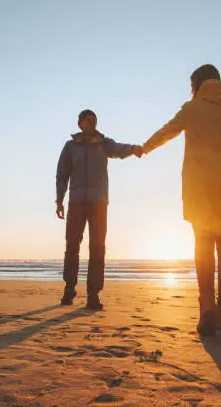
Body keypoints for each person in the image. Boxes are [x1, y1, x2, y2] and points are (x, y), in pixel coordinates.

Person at [142, 65, 221, 336]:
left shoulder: (192, 108)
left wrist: (145, 148)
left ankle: (206, 308)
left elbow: (167, 131)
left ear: (197, 83)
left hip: (199, 190)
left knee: (203, 244)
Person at [56, 109, 143, 310]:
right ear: (80, 123)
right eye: (88, 119)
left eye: (95, 119)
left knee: (97, 248)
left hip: (98, 203)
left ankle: (93, 294)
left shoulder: (103, 143)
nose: (92, 121)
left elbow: (119, 149)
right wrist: (59, 200)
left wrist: (134, 149)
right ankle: (69, 289)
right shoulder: (70, 147)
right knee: (72, 247)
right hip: (76, 202)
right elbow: (62, 174)